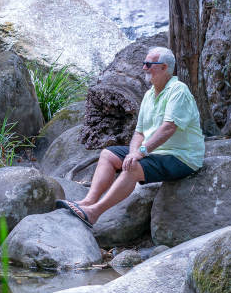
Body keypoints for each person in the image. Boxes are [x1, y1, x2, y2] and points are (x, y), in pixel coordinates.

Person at [56, 47, 204, 227]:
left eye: (149, 64)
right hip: (156, 153)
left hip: (181, 157)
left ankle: (94, 213)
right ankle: (87, 201)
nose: (144, 68)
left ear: (164, 67)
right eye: (144, 63)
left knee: (132, 168)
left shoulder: (178, 90)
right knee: (108, 155)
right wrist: (133, 152)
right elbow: (139, 132)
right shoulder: (149, 94)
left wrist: (141, 152)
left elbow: (168, 128)